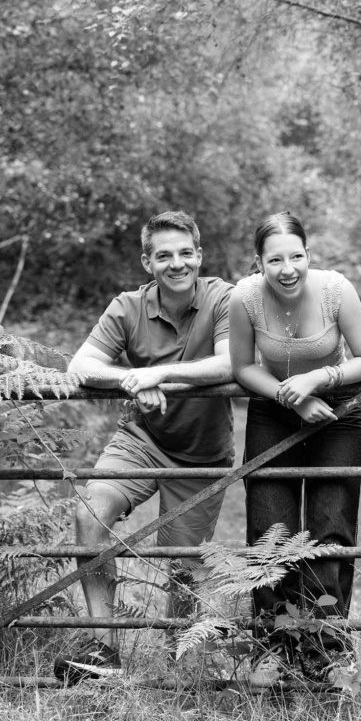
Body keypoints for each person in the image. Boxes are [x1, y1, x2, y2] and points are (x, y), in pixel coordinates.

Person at [54, 211, 235, 684]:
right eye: (164, 256)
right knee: (90, 512)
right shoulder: (128, 306)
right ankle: (102, 647)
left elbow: (230, 363)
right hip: (141, 439)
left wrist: (163, 374)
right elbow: (82, 364)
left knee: (181, 566)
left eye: (185, 253)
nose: (176, 264)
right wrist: (133, 380)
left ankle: (180, 663)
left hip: (202, 454)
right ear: (146, 262)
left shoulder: (222, 297)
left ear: (200, 255)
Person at [229, 211, 361, 686]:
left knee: (331, 526)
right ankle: (272, 648)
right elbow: (241, 368)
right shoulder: (245, 297)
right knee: (269, 526)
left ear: (308, 255)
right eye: (275, 259)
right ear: (259, 263)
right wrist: (287, 395)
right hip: (274, 410)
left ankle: (327, 648)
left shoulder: (336, 289)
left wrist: (318, 379)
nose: (287, 268)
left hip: (336, 412)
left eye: (296, 256)